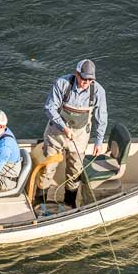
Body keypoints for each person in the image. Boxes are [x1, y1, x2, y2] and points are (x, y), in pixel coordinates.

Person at [38, 58, 108, 207]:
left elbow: (101, 118)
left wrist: (99, 141)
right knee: (48, 169)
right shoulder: (62, 84)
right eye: (83, 78)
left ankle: (69, 204)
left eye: (90, 79)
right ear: (76, 74)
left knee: (75, 172)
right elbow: (49, 108)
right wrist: (64, 128)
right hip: (56, 132)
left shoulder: (98, 91)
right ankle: (39, 204)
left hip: (80, 136)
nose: (86, 82)